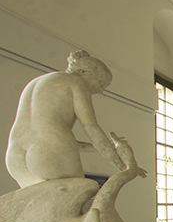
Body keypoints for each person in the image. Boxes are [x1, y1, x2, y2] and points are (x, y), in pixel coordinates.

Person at [5, 50, 145, 188]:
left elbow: (48, 138)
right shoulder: (77, 82)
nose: (100, 90)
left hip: (15, 156)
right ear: (87, 72)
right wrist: (124, 167)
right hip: (48, 155)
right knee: (83, 195)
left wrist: (107, 146)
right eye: (101, 83)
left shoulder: (36, 82)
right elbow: (91, 128)